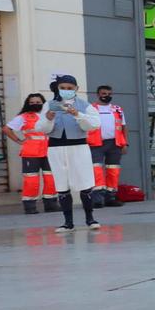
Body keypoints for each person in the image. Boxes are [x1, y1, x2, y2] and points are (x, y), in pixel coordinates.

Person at [41, 73, 102, 230]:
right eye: (63, 88)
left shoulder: (84, 105)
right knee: (61, 183)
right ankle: (68, 222)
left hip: (78, 147)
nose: (66, 90)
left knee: (84, 181)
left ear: (76, 89)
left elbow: (94, 125)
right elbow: (41, 128)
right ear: (58, 88)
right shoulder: (49, 105)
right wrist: (48, 118)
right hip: (56, 148)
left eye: (70, 88)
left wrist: (77, 115)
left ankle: (90, 218)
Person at [4, 92, 52, 214]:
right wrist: (19, 141)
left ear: (43, 103)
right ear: (27, 104)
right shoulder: (23, 117)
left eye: (38, 102)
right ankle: (30, 206)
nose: (35, 104)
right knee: (31, 181)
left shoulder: (49, 115)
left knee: (51, 178)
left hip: (49, 151)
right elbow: (6, 129)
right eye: (32, 102)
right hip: (31, 152)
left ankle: (51, 204)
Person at [90, 84, 128, 206]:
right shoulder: (91, 109)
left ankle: (110, 197)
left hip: (114, 144)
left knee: (113, 170)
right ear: (98, 95)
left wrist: (125, 143)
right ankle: (97, 199)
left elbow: (123, 127)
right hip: (96, 143)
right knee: (97, 171)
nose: (107, 96)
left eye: (109, 94)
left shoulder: (117, 109)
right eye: (104, 94)